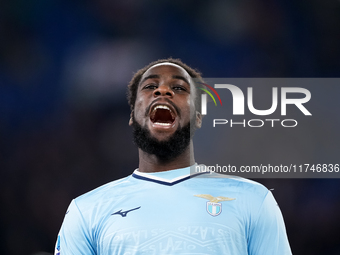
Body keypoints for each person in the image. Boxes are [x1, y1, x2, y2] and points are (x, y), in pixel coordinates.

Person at [55, 58, 292, 255]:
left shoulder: (253, 201)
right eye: (149, 87)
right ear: (132, 115)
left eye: (178, 88)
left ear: (198, 117)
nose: (163, 90)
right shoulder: (87, 211)